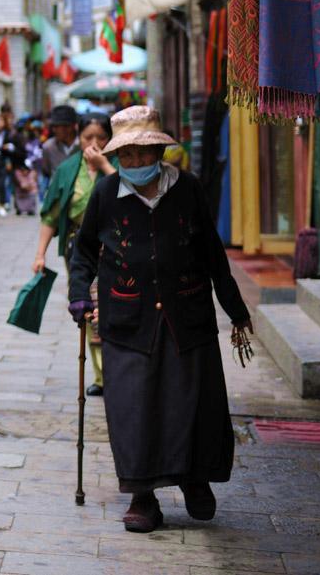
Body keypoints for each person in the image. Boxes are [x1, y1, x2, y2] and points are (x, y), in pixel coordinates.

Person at [67, 106, 251, 534]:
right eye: (126, 155)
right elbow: (85, 252)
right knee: (134, 408)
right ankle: (143, 496)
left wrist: (236, 310)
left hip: (187, 314)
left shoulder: (187, 188)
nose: (135, 163)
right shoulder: (106, 194)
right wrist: (79, 295)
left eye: (143, 154)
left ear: (160, 152)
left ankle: (194, 479)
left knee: (192, 403)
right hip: (127, 318)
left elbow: (212, 253)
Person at [33, 113, 117, 395]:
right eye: (87, 138)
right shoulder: (68, 169)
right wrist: (40, 254)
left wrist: (104, 166)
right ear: (78, 138)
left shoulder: (119, 164)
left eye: (101, 138)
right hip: (79, 249)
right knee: (87, 307)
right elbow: (51, 214)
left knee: (115, 305)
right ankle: (102, 375)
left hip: (117, 247)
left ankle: (119, 368)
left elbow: (130, 197)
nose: (94, 143)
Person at [40, 105, 80, 184]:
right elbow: (46, 171)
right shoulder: (48, 147)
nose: (54, 130)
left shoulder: (83, 145)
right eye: (53, 127)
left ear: (70, 127)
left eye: (57, 126)